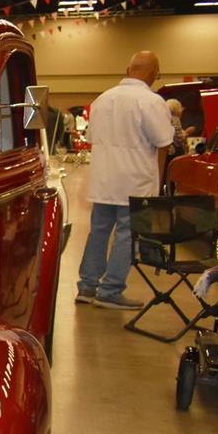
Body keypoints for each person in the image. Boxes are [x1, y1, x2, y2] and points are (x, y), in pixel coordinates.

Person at [76, 50, 175, 310]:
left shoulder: (103, 99)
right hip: (135, 181)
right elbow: (163, 142)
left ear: (128, 69)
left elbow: (90, 138)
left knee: (98, 231)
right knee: (126, 235)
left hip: (103, 180)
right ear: (153, 71)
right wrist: (161, 180)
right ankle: (110, 291)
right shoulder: (151, 102)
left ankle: (87, 286)